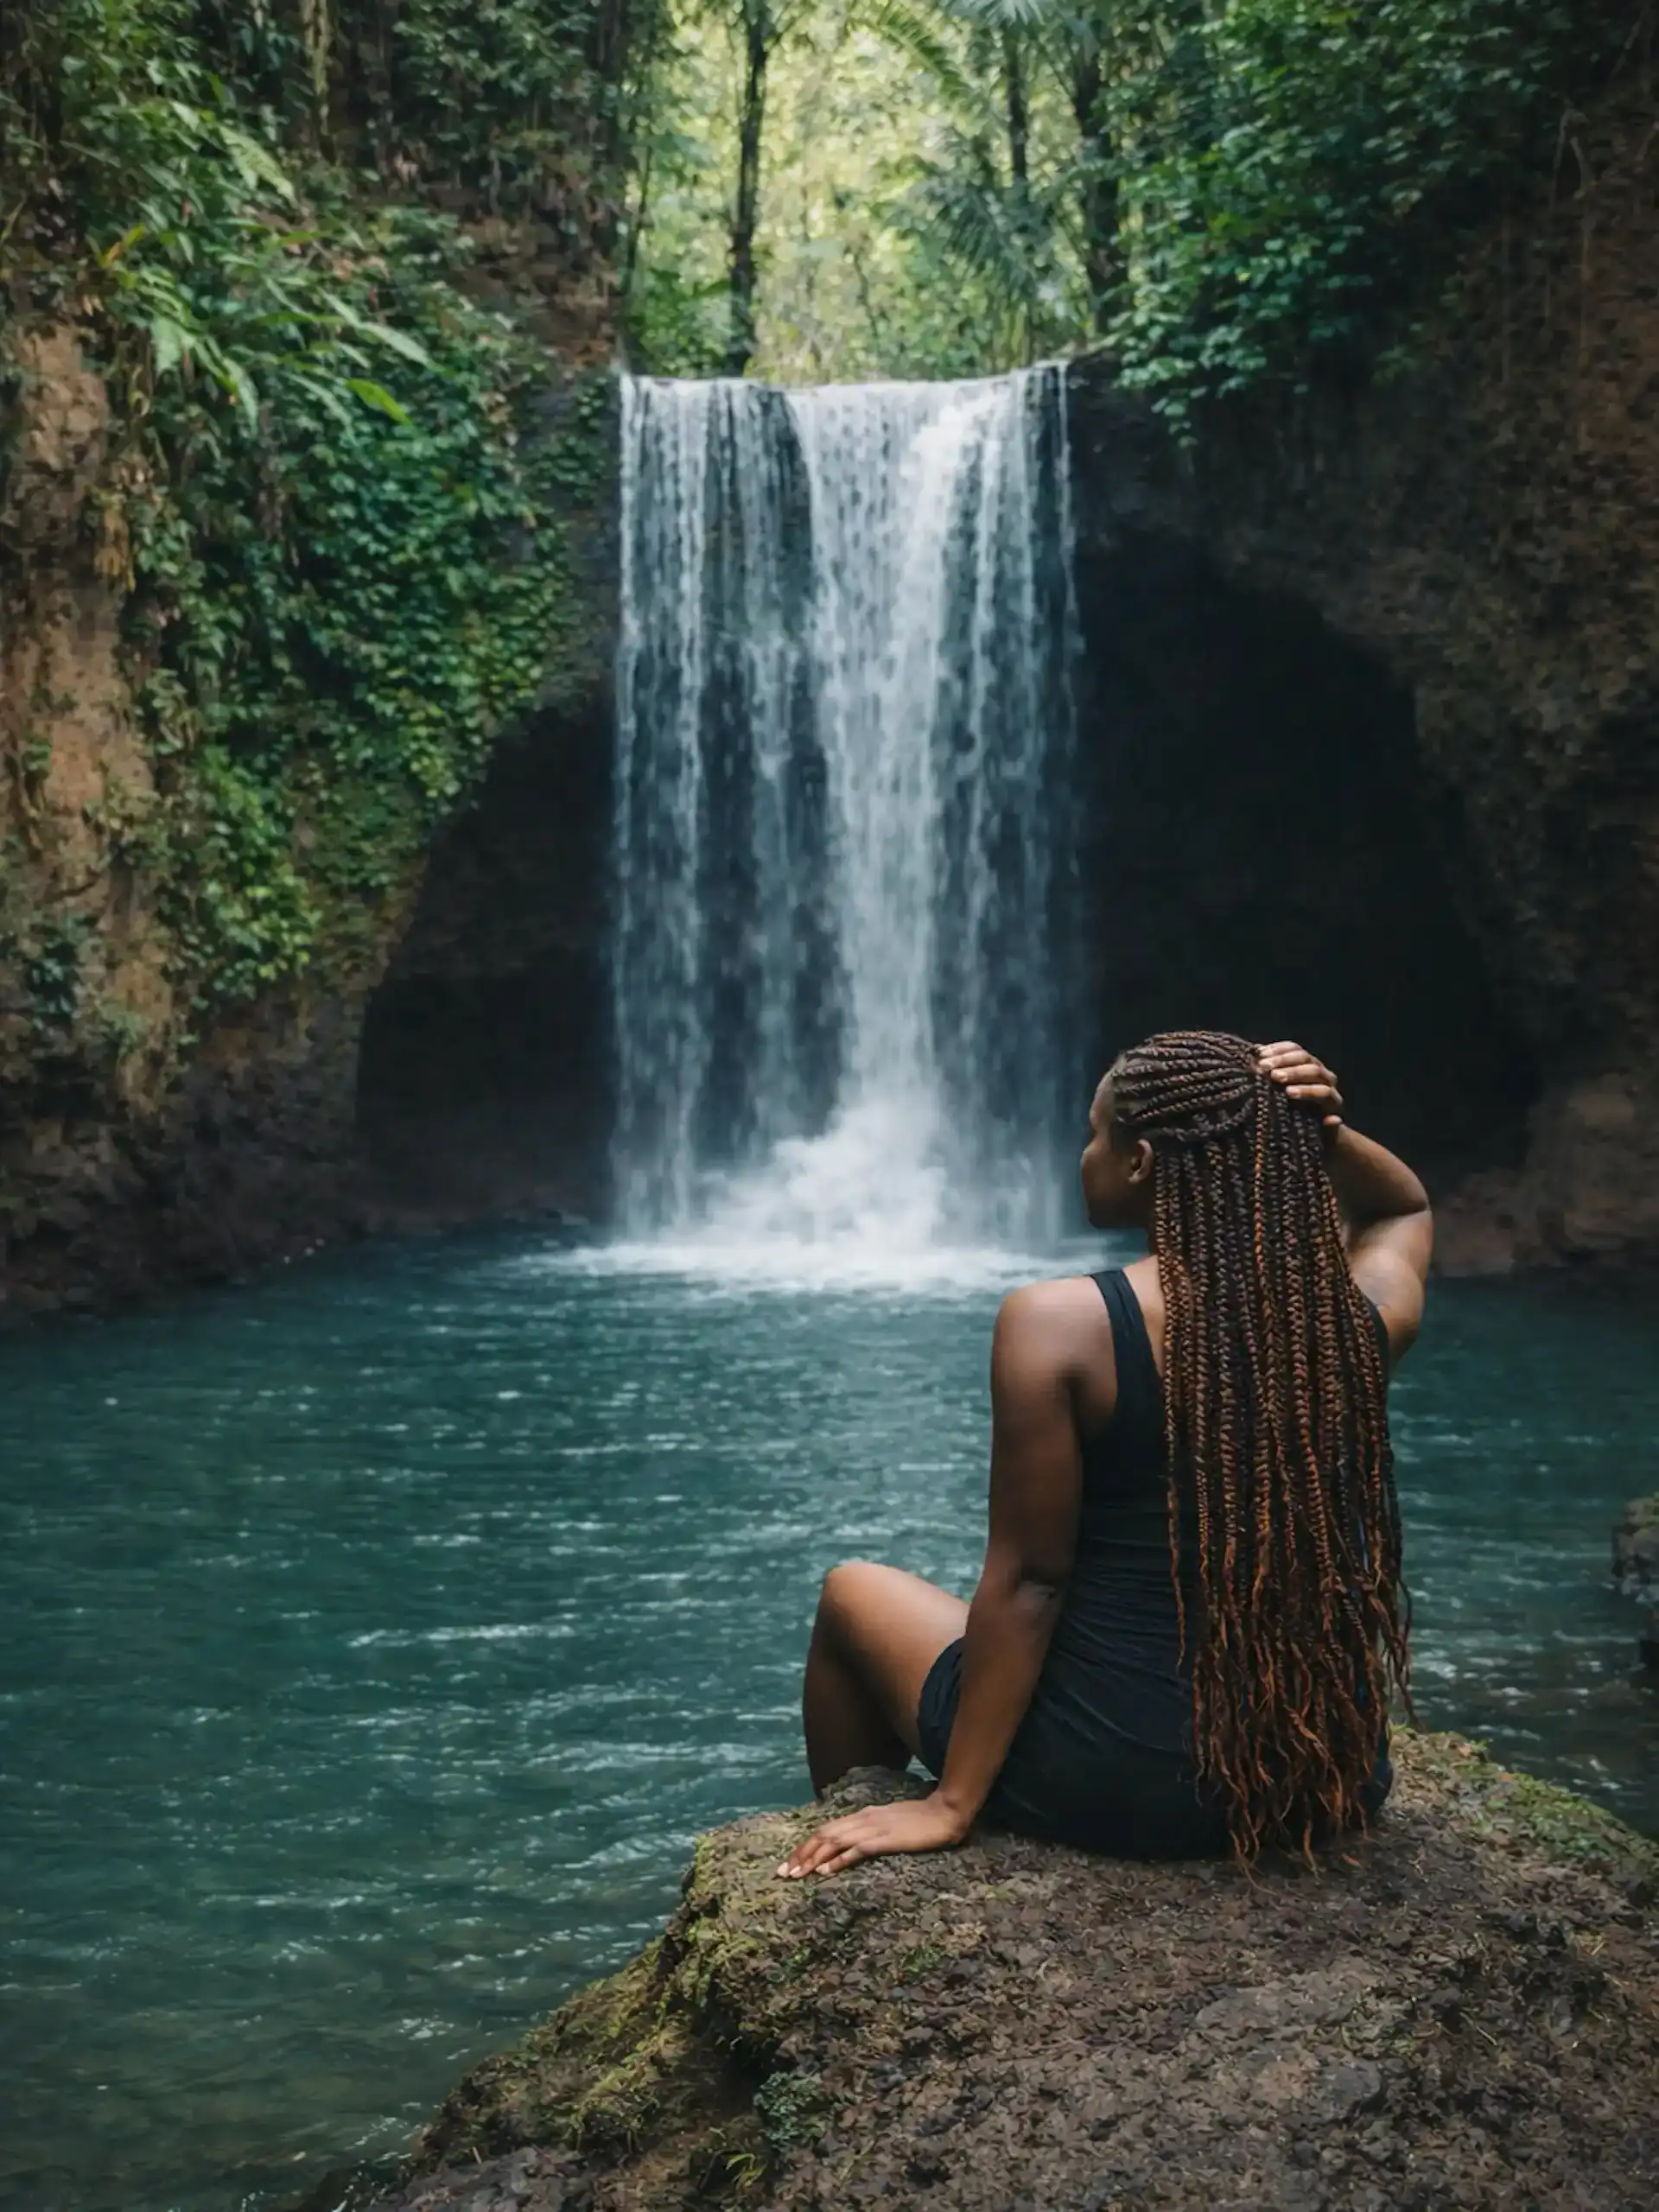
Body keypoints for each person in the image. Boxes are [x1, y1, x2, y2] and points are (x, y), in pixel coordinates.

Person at [778, 1032, 1433, 1879]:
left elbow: (1031, 1583)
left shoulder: (1060, 1324)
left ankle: (847, 1837)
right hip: (1322, 1776)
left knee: (850, 1592)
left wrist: (952, 1801)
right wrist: (1321, 1133)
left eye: (1094, 1134)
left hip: (1121, 1778)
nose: (1083, 1151)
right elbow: (1403, 1210)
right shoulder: (1347, 1320)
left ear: (1140, 1162)